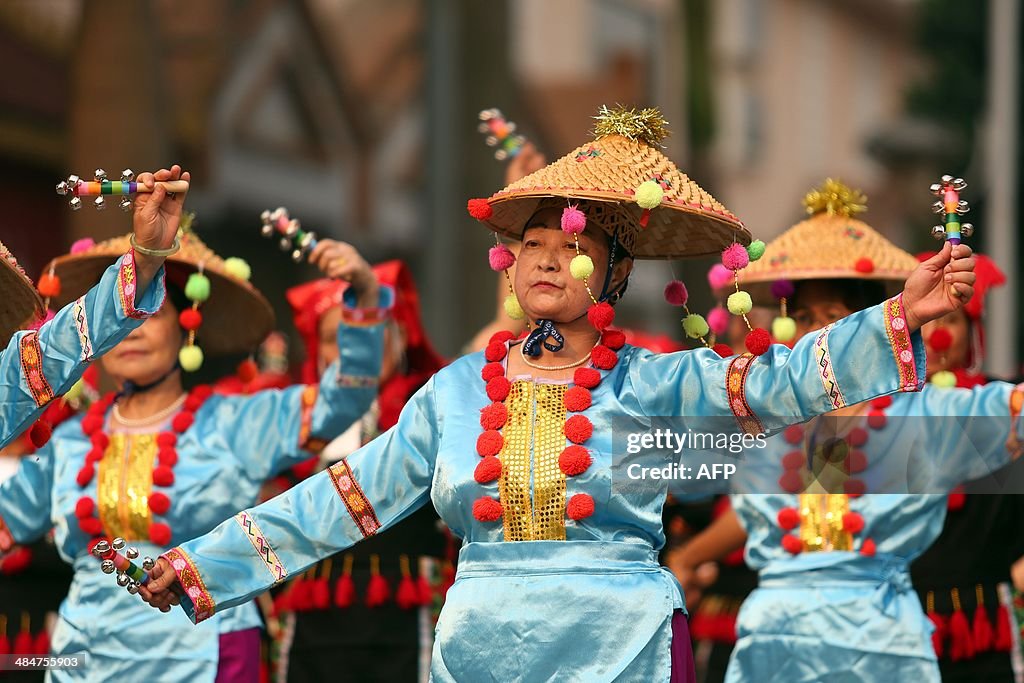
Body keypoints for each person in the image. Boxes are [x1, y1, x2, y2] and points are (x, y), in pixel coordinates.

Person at [141, 108, 974, 683]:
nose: (543, 257)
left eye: (567, 244)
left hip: (623, 643)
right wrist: (200, 562)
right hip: (483, 645)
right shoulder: (455, 392)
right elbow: (340, 497)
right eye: (529, 243)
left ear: (613, 270)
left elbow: (776, 382)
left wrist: (898, 315)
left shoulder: (654, 381)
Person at [0, 224, 389, 682]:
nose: (133, 333)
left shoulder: (237, 423)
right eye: (123, 320)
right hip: (85, 658)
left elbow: (342, 399)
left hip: (204, 650)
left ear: (187, 324)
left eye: (153, 314)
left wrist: (364, 297)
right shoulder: (71, 442)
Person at [670, 180, 1022, 682]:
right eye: (807, 317)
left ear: (872, 326)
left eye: (835, 317)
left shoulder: (924, 418)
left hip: (878, 646)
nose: (819, 333)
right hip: (774, 650)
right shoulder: (764, 421)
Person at [271, 260, 449, 682]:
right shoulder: (293, 420)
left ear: (402, 335)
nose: (356, 346)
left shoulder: (433, 411)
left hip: (408, 626)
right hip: (313, 631)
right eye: (336, 337)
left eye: (371, 328)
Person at [0, 167, 183, 449]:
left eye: (157, 317)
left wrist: (146, 257)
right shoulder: (67, 455)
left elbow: (61, 345)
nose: (137, 336)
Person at [911, 253, 1024, 681]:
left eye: (953, 320)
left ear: (973, 333)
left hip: (984, 617)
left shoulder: (1002, 407)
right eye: (930, 319)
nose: (939, 334)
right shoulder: (882, 414)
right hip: (898, 618)